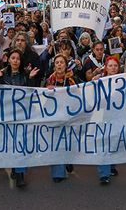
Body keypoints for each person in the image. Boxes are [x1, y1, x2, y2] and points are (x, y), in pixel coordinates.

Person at [0, 49, 39, 187]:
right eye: (13, 58)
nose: (15, 60)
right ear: (8, 60)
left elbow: (31, 94)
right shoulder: (2, 74)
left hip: (22, 115)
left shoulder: (26, 75)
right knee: (11, 144)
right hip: (7, 115)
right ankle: (14, 167)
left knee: (21, 144)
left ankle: (20, 174)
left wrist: (30, 79)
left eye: (18, 58)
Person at [44, 54, 76, 183]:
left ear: (65, 65)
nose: (59, 65)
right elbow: (43, 101)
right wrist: (48, 92)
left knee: (68, 142)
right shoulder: (48, 81)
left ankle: (68, 160)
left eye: (61, 62)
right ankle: (58, 172)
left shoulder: (73, 80)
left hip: (69, 117)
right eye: (57, 62)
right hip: (55, 117)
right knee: (56, 143)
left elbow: (79, 98)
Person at [92, 56, 122, 184]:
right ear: (105, 67)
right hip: (102, 117)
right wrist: (92, 83)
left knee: (114, 142)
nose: (113, 68)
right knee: (103, 144)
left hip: (117, 117)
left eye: (115, 65)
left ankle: (111, 166)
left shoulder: (123, 80)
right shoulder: (100, 81)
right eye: (110, 65)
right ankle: (104, 174)